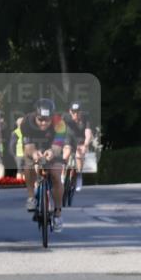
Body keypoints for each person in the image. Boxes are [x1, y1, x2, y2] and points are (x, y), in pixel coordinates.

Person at [20, 98, 66, 232]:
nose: (44, 123)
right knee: (28, 165)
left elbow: (58, 146)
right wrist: (34, 153)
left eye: (47, 120)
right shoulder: (26, 122)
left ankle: (58, 213)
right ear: (35, 116)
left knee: (56, 176)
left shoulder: (59, 123)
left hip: (52, 147)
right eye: (40, 120)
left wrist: (52, 152)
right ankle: (31, 197)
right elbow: (28, 147)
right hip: (34, 147)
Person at [62, 102, 93, 191]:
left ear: (81, 112)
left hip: (80, 139)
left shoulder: (86, 118)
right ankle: (62, 174)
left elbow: (88, 133)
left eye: (78, 112)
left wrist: (85, 145)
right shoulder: (66, 117)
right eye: (73, 112)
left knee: (79, 155)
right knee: (66, 154)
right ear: (70, 111)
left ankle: (79, 176)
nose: (75, 114)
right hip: (69, 138)